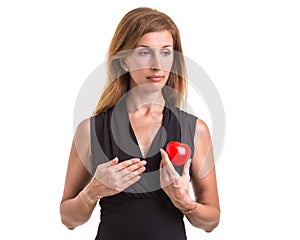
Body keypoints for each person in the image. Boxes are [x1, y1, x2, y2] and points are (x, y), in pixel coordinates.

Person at [60, 7, 220, 240]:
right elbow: (68, 219)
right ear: (124, 61)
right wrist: (92, 192)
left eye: (165, 53)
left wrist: (185, 203)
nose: (157, 65)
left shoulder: (195, 130)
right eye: (145, 53)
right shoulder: (91, 130)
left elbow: (212, 221)